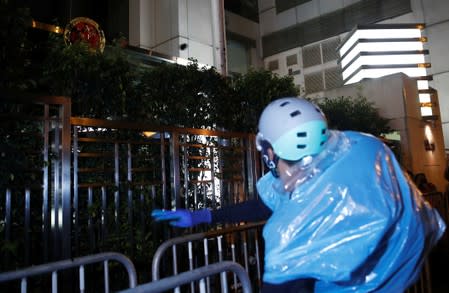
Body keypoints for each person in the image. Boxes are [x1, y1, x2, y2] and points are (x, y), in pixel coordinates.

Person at [152, 97, 446, 292]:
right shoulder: (366, 151)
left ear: (269, 152)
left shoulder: (292, 234)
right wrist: (206, 215)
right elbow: (268, 204)